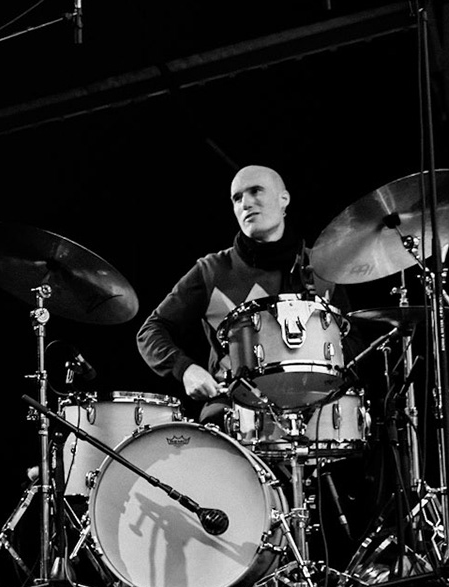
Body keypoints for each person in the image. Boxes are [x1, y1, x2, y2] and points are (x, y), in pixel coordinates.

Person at [136, 164, 328, 421]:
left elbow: (351, 345)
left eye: (255, 191)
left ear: (284, 199)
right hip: (232, 411)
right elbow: (150, 331)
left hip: (313, 408)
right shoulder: (212, 270)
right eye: (237, 198)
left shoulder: (322, 267)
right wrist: (185, 369)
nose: (245, 203)